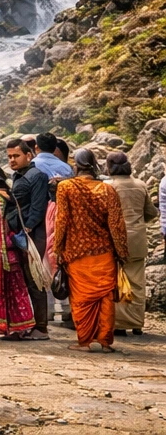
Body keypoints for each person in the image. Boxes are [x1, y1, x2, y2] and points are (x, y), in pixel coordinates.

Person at [54, 148, 129, 352]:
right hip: (104, 251)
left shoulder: (65, 187)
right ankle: (105, 341)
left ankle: (85, 341)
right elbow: (116, 224)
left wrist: (57, 248)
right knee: (105, 298)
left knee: (81, 299)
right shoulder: (107, 190)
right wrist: (122, 252)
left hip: (76, 252)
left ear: (76, 165)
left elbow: (62, 221)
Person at [103, 151, 157, 337]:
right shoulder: (140, 185)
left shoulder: (107, 186)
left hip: (114, 240)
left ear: (109, 167)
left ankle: (119, 325)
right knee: (137, 282)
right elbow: (151, 212)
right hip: (138, 240)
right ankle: (136, 324)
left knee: (115, 281)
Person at [0, 163, 36, 339]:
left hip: (2, 249)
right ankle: (22, 325)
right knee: (18, 287)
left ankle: (14, 327)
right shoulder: (9, 194)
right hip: (14, 247)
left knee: (6, 288)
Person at [6, 137, 52, 339]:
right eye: (9, 157)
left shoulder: (37, 176)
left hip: (31, 236)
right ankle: (26, 323)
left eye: (16, 156)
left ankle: (41, 328)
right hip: (19, 235)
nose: (12, 160)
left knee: (34, 279)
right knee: (22, 279)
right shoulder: (17, 176)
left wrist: (28, 228)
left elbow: (38, 207)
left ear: (28, 155)